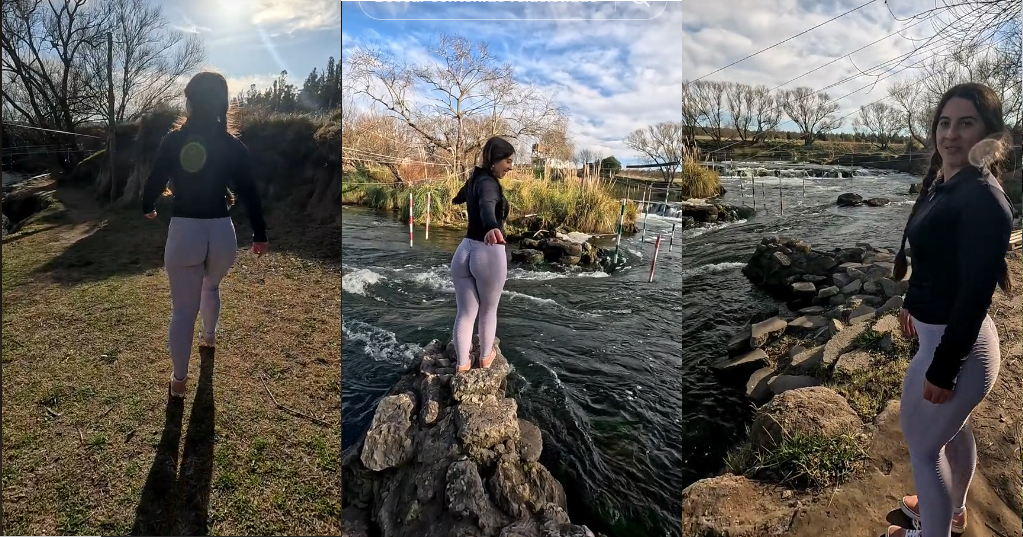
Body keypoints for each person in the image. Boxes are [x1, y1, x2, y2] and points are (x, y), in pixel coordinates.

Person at [886, 83, 1014, 537]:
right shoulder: (946, 183)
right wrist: (912, 303)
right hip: (943, 337)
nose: (951, 134)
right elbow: (936, 261)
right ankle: (952, 511)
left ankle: (934, 530)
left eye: (966, 123)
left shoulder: (984, 199)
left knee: (922, 450)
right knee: (950, 431)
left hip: (960, 350)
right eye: (944, 123)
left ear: (989, 135)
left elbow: (976, 293)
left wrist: (942, 370)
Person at [142, 71, 269, 398]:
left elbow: (154, 179)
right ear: (223, 103)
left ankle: (180, 382)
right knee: (211, 286)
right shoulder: (233, 146)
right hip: (221, 233)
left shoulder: (173, 141)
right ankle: (209, 338)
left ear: (190, 101)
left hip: (185, 231)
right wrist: (260, 234)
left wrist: (148, 206)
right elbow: (251, 193)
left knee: (183, 311)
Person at [449, 136, 513, 373]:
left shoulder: (474, 179)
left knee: (465, 313)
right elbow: (488, 205)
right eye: (507, 161)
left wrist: (458, 199)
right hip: (486, 251)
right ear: (495, 160)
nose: (510, 166)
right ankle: (486, 358)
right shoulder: (489, 184)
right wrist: (491, 227)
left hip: (464, 252)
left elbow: (464, 194)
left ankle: (462, 363)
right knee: (488, 309)